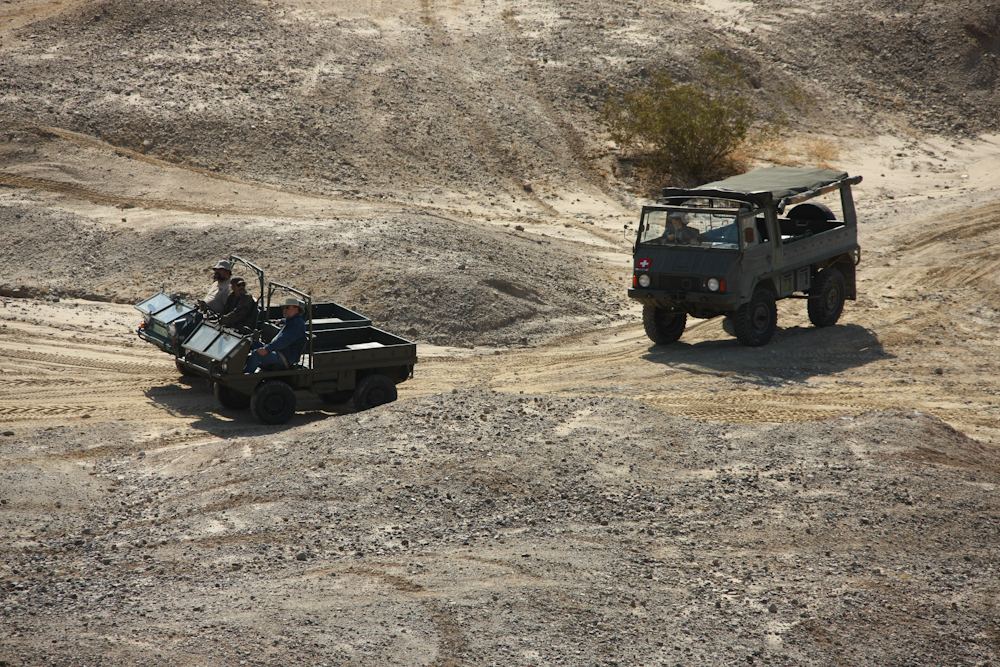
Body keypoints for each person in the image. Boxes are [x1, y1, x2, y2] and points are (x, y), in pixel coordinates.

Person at [243, 298, 307, 373]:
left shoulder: (296, 324)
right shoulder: (292, 320)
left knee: (257, 354)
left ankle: (244, 377)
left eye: (287, 307)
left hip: (284, 357)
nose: (284, 310)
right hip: (279, 351)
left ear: (296, 309)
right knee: (249, 342)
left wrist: (267, 349)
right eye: (284, 308)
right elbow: (287, 321)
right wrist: (281, 321)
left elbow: (283, 341)